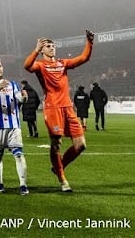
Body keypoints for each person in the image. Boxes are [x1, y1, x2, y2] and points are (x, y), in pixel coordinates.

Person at [24, 31, 95, 192]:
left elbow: (84, 58)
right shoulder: (40, 65)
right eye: (48, 46)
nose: (51, 48)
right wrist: (36, 50)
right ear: (42, 50)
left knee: (81, 145)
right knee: (56, 144)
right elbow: (27, 66)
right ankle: (63, 180)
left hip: (68, 108)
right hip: (52, 108)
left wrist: (89, 42)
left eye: (53, 46)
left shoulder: (63, 63)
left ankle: (59, 167)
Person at [0, 59, 29, 195]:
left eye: (0, 66)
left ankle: (23, 185)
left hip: (13, 125)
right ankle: (0, 183)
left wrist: (24, 97)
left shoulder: (12, 84)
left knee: (19, 155)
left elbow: (19, 98)